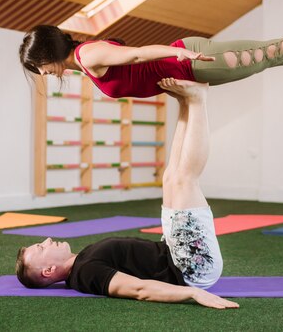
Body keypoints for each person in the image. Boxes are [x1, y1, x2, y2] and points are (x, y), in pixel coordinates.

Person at [15, 78, 239, 309]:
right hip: (189, 268)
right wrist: (192, 293)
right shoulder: (86, 273)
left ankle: (185, 102)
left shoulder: (81, 262)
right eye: (41, 247)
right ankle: (198, 100)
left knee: (171, 178)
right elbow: (139, 290)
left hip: (173, 250)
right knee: (184, 181)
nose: (47, 240)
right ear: (49, 270)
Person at [18, 25, 283, 98]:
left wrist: (177, 52)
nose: (43, 74)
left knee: (274, 48)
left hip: (194, 62)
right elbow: (135, 72)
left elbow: (135, 54)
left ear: (48, 56)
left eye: (39, 67)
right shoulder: (84, 65)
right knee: (267, 59)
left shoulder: (87, 55)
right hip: (192, 69)